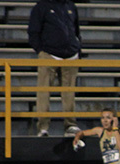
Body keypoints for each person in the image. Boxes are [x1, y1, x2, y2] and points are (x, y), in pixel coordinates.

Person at [28, 0, 81, 137]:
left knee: (69, 93)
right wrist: (40, 51)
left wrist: (77, 48)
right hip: (49, 54)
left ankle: (71, 125)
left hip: (70, 55)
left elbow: (76, 29)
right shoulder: (41, 7)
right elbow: (33, 32)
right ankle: (43, 127)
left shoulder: (70, 5)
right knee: (44, 92)